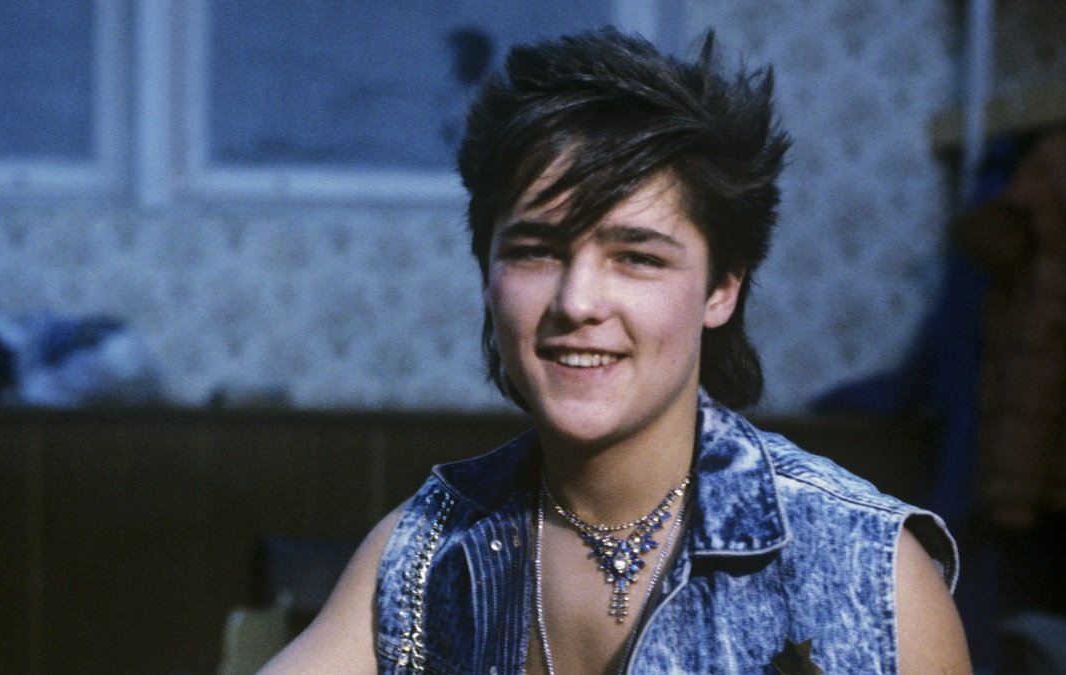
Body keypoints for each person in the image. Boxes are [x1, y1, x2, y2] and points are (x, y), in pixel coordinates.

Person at [262, 28, 970, 674]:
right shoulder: (425, 551)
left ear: (722, 289)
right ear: (487, 275)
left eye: (636, 258)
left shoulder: (866, 571)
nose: (577, 301)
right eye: (536, 251)